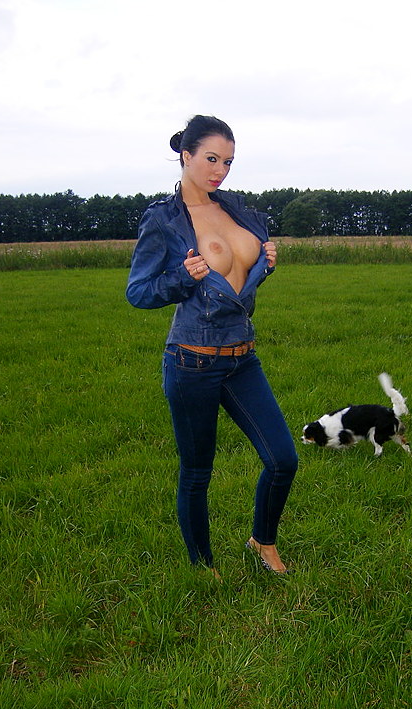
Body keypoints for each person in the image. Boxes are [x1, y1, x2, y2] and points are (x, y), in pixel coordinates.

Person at [126, 115, 298, 576]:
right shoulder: (164, 220)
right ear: (186, 155)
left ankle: (262, 541)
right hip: (192, 363)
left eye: (228, 162)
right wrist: (183, 276)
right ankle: (204, 566)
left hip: (242, 358)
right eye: (211, 159)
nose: (220, 170)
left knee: (283, 459)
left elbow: (237, 284)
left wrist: (265, 265)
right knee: (198, 472)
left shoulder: (237, 210)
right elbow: (138, 292)